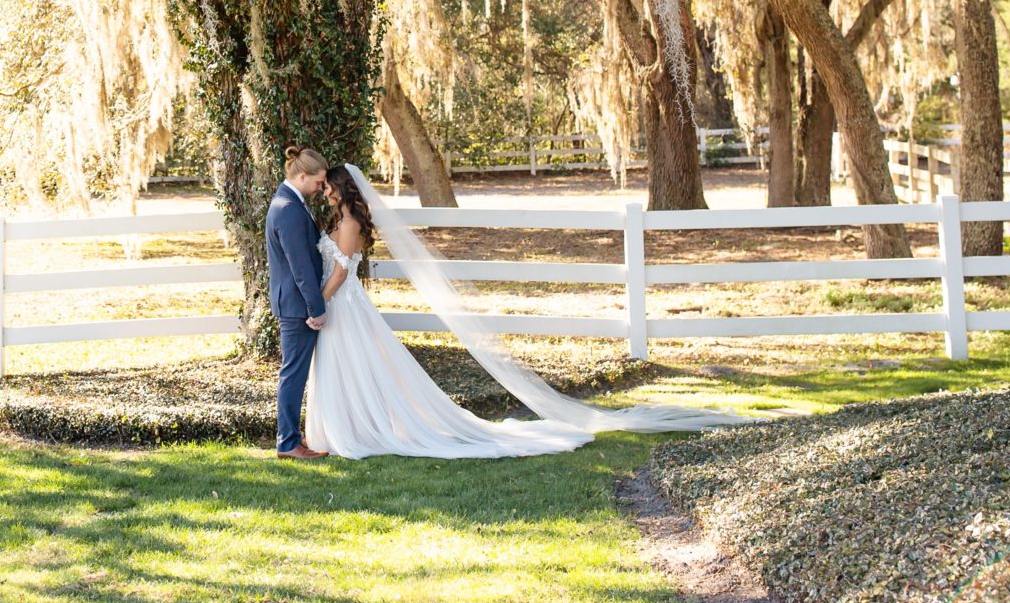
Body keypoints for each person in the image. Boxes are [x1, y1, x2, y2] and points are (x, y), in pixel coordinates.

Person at [301, 163, 746, 459]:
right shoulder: (341, 219)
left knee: (352, 365)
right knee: (347, 368)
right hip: (341, 306)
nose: (324, 190)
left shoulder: (352, 222)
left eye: (328, 185)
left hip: (342, 304)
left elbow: (341, 273)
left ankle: (353, 431)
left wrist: (319, 302)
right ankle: (347, 428)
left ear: (344, 188)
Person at [264, 146, 332, 459]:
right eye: (318, 182)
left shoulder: (291, 201)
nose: (321, 188)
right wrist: (316, 308)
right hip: (296, 306)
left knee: (295, 373)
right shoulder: (288, 208)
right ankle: (288, 443)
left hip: (294, 303)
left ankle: (292, 439)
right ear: (302, 176)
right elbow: (300, 265)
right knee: (293, 375)